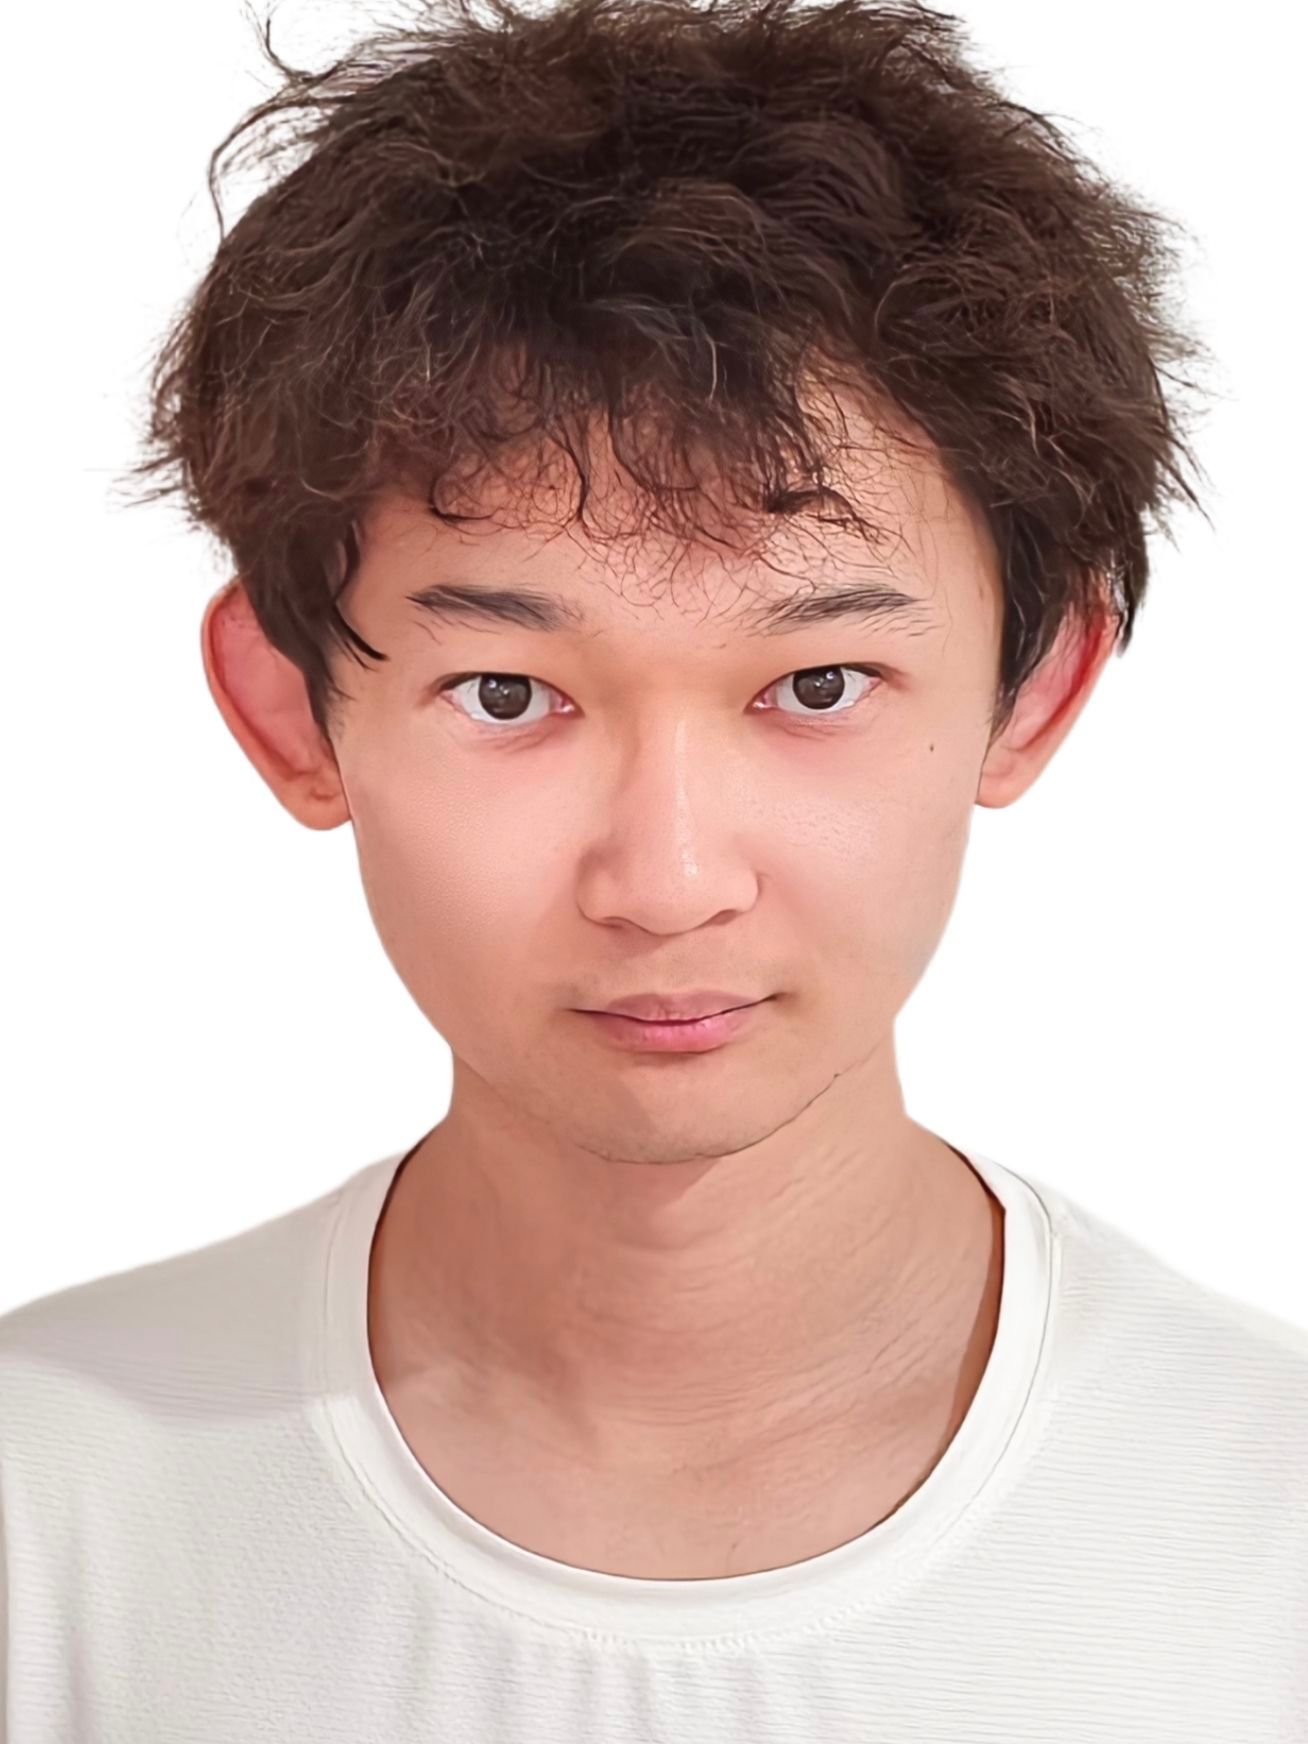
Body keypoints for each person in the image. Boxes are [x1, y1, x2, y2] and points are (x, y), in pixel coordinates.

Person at [2, 0, 1304, 1736]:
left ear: (1036, 686)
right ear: (290, 710)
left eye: (818, 686)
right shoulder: (53, 1509)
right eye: (508, 694)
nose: (668, 879)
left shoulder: (1267, 1529)